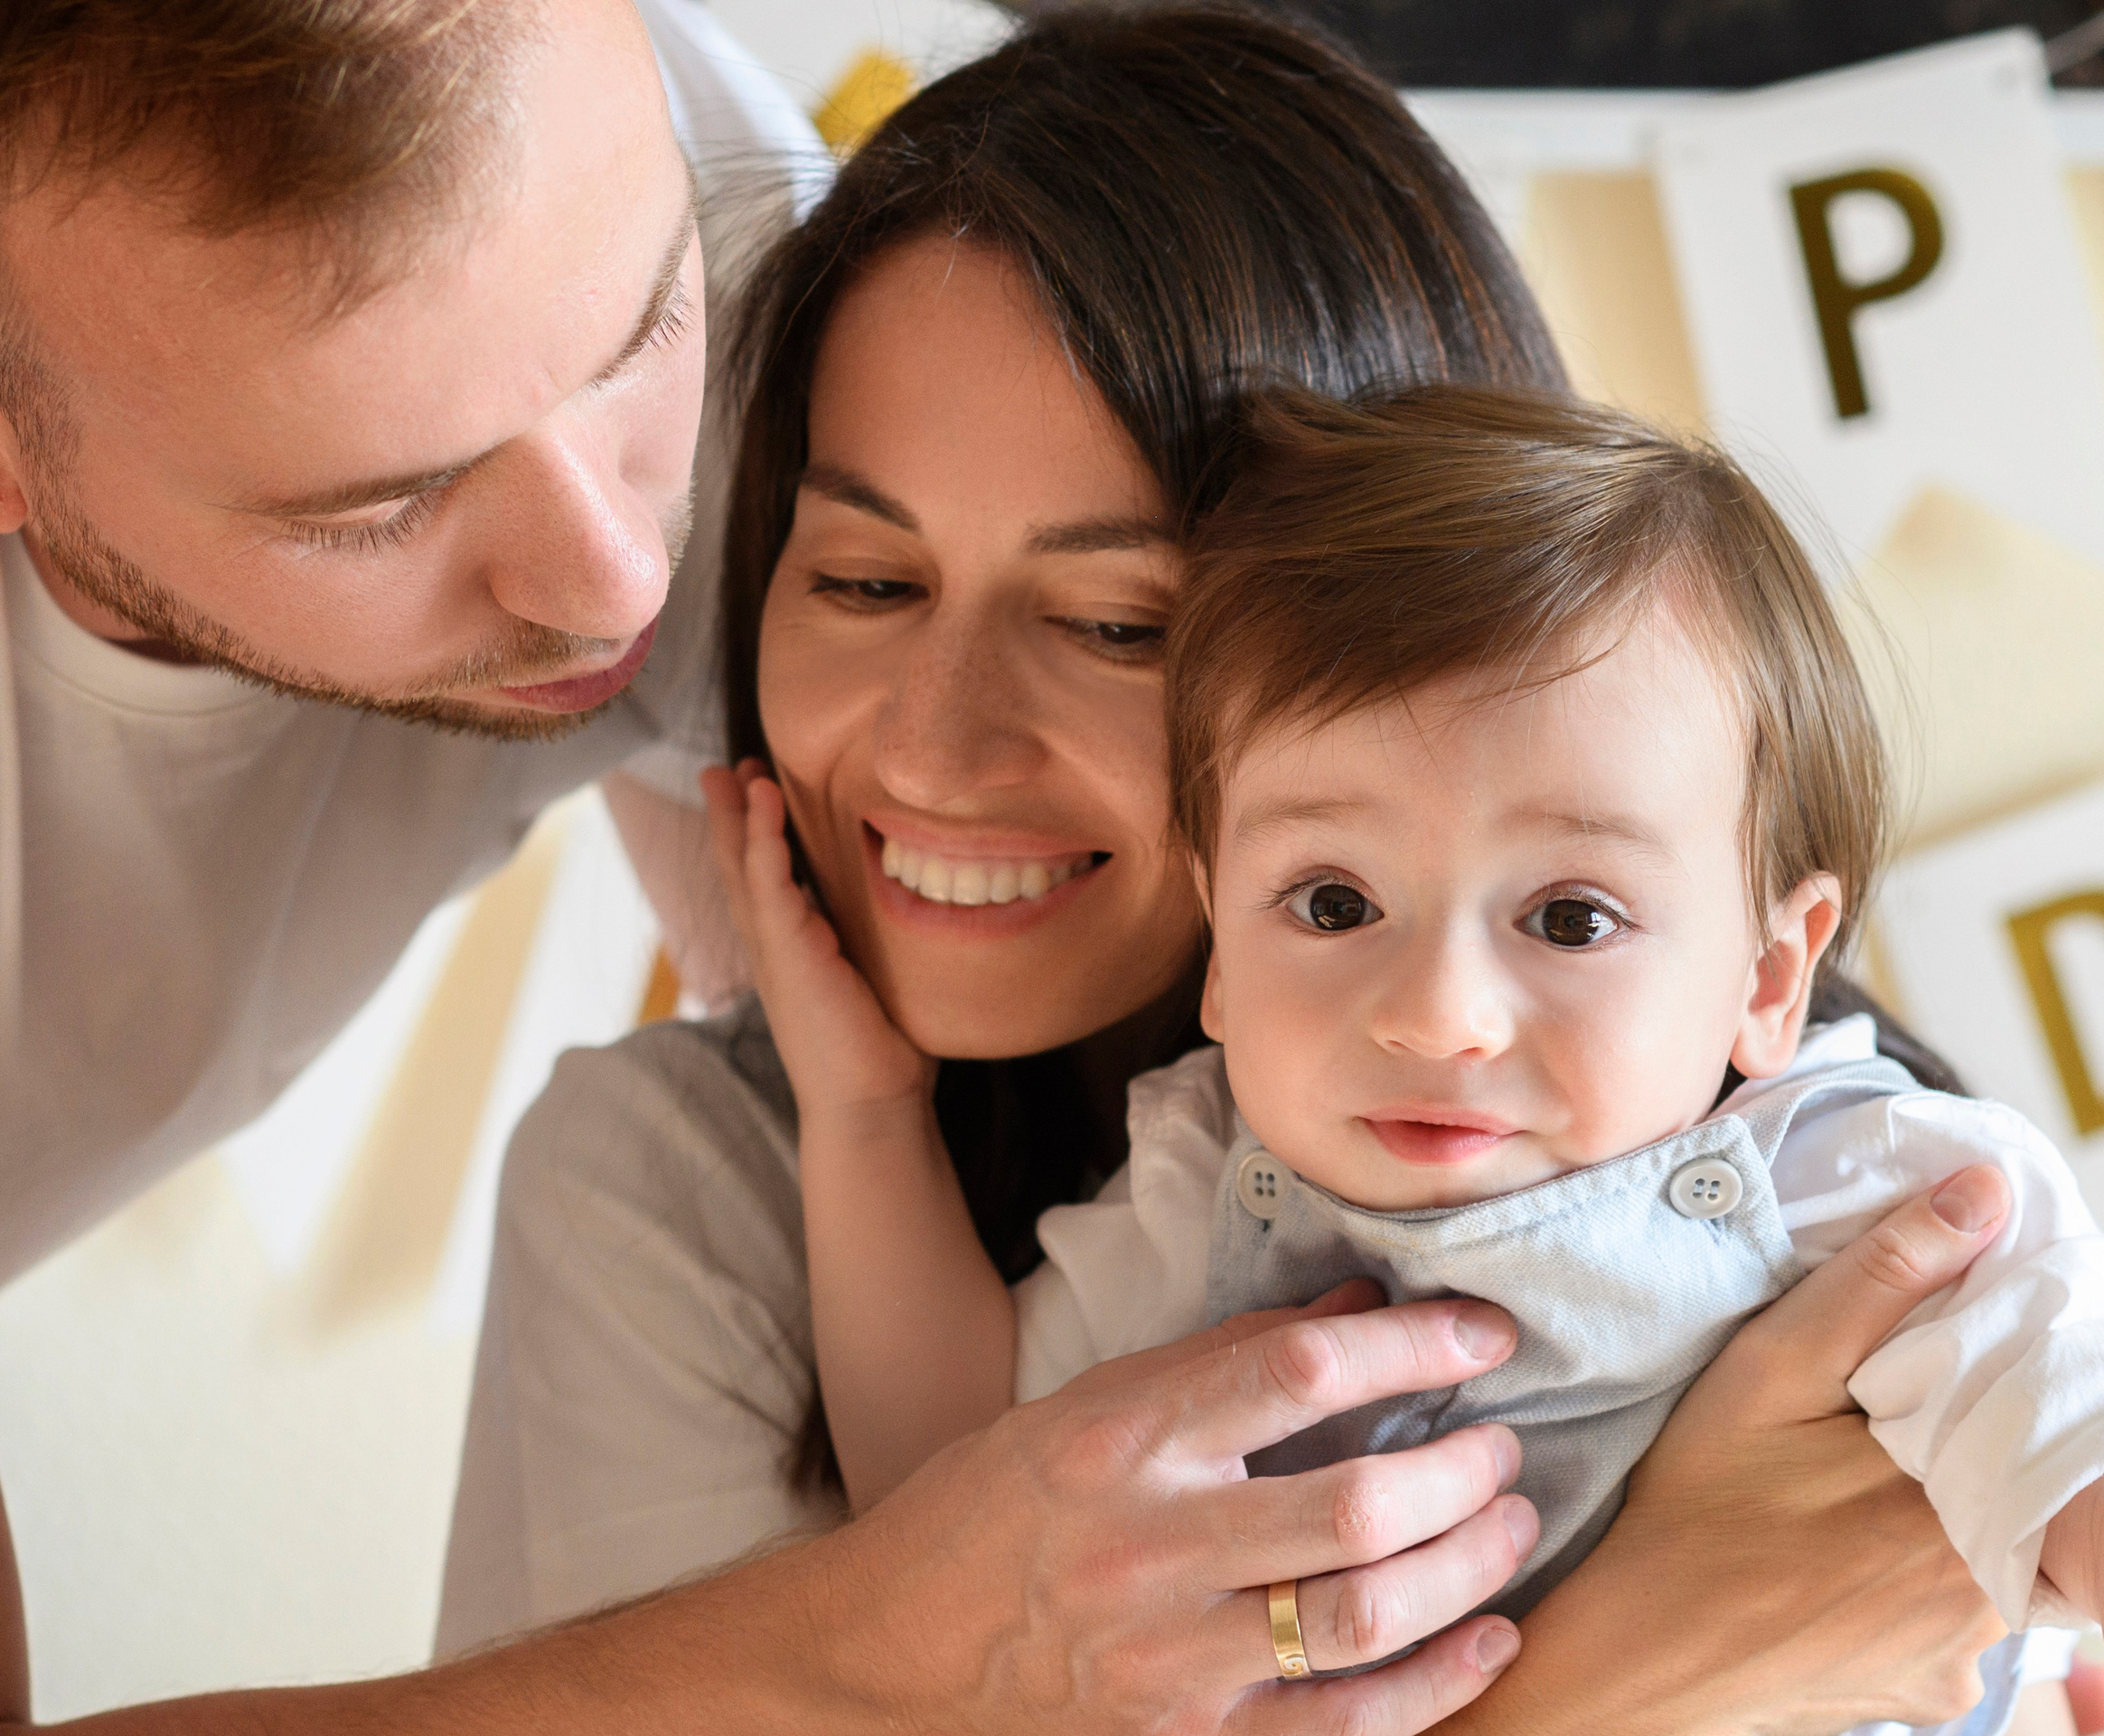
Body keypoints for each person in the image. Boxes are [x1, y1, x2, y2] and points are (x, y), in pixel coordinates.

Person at [0, 1, 1993, 1729]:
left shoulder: (1822, 1178)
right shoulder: (680, 1198)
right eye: (380, 507)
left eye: (1123, 623)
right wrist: (1590, 1687)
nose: (625, 591)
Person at [719, 378, 2104, 1735]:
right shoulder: (1203, 1194)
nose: (1437, 1013)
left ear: (1770, 973)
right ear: (1218, 941)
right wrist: (864, 1109)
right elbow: (947, 1488)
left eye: (1569, 917)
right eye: (1333, 901)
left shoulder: (1858, 1194)